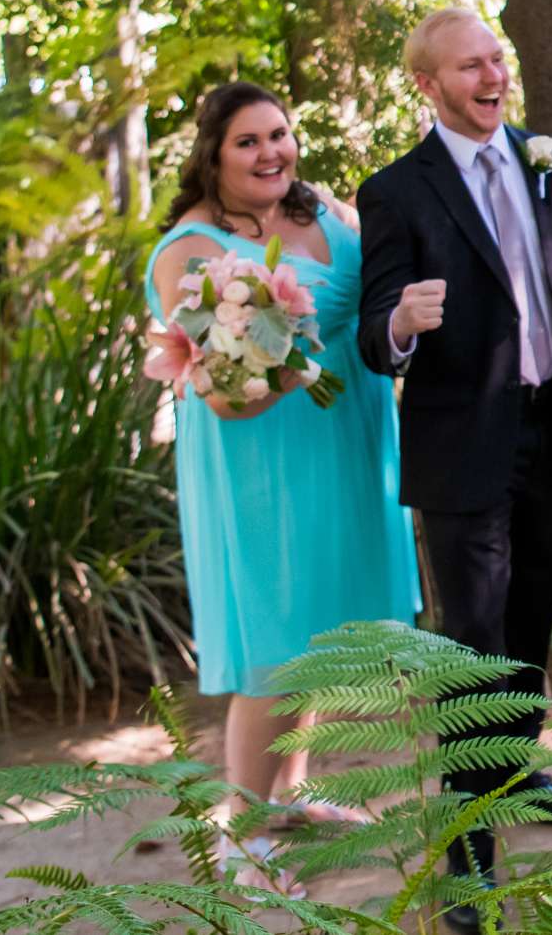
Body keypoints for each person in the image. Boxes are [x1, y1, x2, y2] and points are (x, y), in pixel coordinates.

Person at [355, 7, 552, 905]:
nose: (492, 77)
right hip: (463, 448)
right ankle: (467, 841)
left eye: (497, 59)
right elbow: (372, 340)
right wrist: (400, 324)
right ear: (427, 84)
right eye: (469, 67)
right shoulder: (397, 192)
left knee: (528, 625)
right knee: (472, 642)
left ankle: (513, 771)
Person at [144, 82, 422, 879]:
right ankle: (242, 830)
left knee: (320, 631)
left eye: (279, 134)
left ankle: (290, 798)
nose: (271, 152)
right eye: (248, 142)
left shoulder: (325, 211)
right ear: (213, 156)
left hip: (347, 436)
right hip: (262, 459)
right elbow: (217, 393)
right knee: (273, 637)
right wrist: (285, 377)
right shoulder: (192, 252)